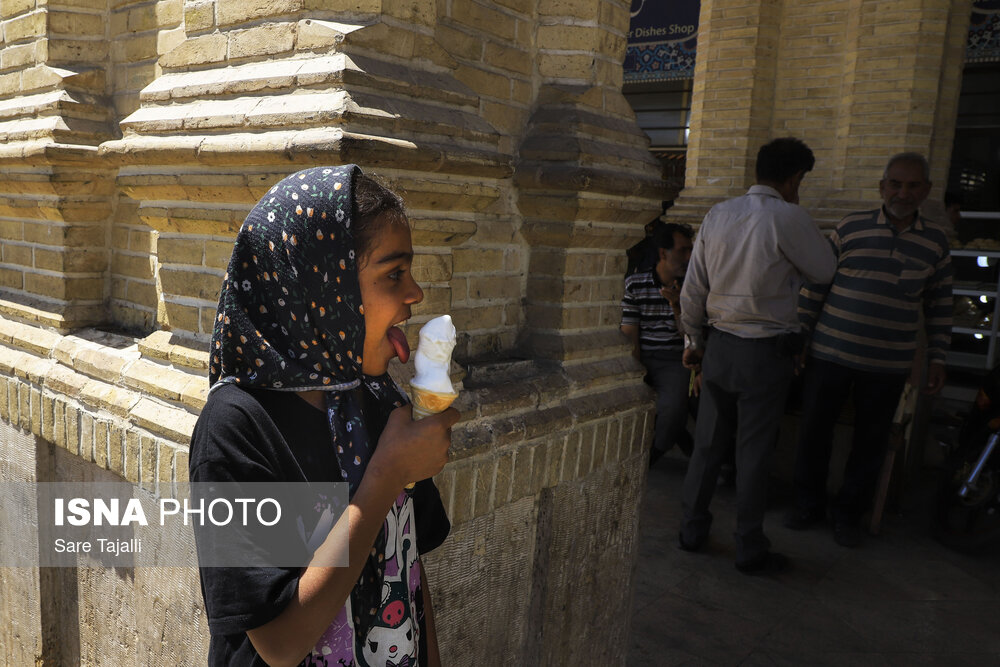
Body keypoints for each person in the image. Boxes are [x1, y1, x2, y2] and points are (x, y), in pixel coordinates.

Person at [189, 165, 460, 666]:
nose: (415, 294)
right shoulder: (235, 426)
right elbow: (280, 643)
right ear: (320, 288)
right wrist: (388, 474)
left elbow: (408, 570)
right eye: (393, 274)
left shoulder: (377, 401)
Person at [677, 137, 837, 575]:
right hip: (766, 353)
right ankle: (748, 546)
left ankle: (691, 530)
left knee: (707, 446)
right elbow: (824, 269)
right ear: (791, 179)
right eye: (800, 180)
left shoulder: (718, 214)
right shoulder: (789, 217)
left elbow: (694, 287)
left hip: (719, 346)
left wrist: (693, 342)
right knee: (753, 453)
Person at [788, 152, 953, 547]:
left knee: (870, 444)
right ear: (882, 187)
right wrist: (800, 339)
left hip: (887, 365)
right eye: (895, 184)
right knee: (814, 433)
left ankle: (848, 514)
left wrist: (939, 358)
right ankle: (807, 505)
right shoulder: (850, 228)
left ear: (927, 191)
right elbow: (815, 286)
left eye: (913, 186)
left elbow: (941, 304)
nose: (903, 192)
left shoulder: (936, 243)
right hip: (829, 355)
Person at [621, 222, 696, 466]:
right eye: (682, 250)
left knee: (673, 408)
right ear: (664, 253)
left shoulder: (693, 287)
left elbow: (690, 336)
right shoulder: (636, 283)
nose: (688, 257)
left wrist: (677, 307)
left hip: (675, 358)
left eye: (690, 250)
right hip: (643, 354)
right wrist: (634, 371)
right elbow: (630, 332)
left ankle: (648, 460)